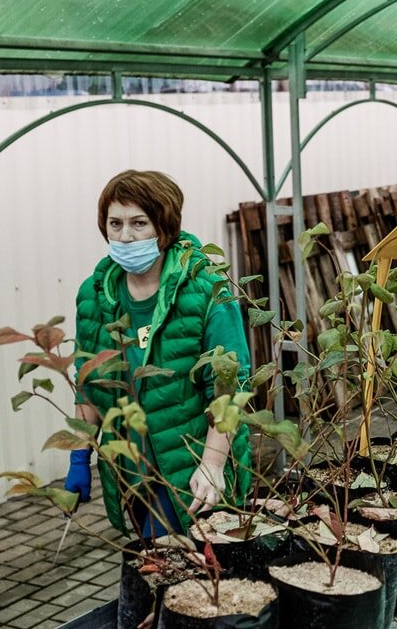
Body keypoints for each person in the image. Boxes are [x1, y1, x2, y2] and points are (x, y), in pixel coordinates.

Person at [64, 170, 252, 537]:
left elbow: (230, 385)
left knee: (192, 569)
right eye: (114, 223)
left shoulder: (206, 289)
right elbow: (88, 381)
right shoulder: (95, 294)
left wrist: (213, 464)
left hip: (192, 465)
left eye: (139, 223)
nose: (125, 236)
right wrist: (78, 456)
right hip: (133, 470)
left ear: (164, 226)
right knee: (160, 564)